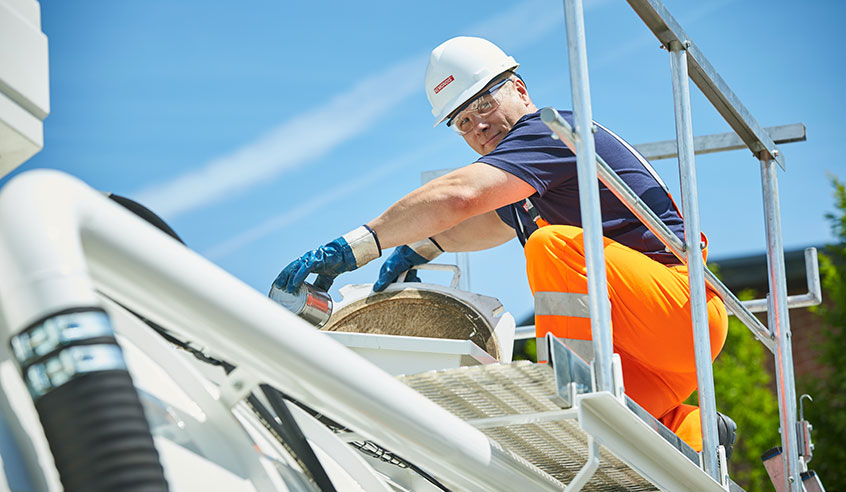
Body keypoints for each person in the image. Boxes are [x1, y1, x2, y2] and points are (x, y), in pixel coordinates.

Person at [273, 36, 733, 455]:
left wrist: (357, 247)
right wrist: (419, 249)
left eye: (484, 105)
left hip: (680, 309)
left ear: (520, 89)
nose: (478, 127)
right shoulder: (528, 184)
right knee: (614, 445)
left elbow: (459, 197)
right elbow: (480, 223)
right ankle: (692, 426)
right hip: (651, 355)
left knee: (552, 246)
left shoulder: (549, 133)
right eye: (463, 121)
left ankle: (569, 390)